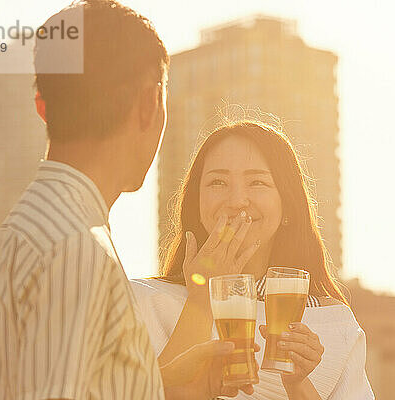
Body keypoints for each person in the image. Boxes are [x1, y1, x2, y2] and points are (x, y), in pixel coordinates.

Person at [0, 1, 256, 399]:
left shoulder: (33, 227)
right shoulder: (74, 247)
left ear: (42, 108)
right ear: (150, 103)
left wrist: (164, 385)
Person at [130, 120, 375, 399]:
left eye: (257, 182)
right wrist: (200, 300)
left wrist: (298, 383)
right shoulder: (142, 300)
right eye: (217, 182)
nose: (236, 201)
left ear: (287, 206)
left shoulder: (334, 321)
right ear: (197, 203)